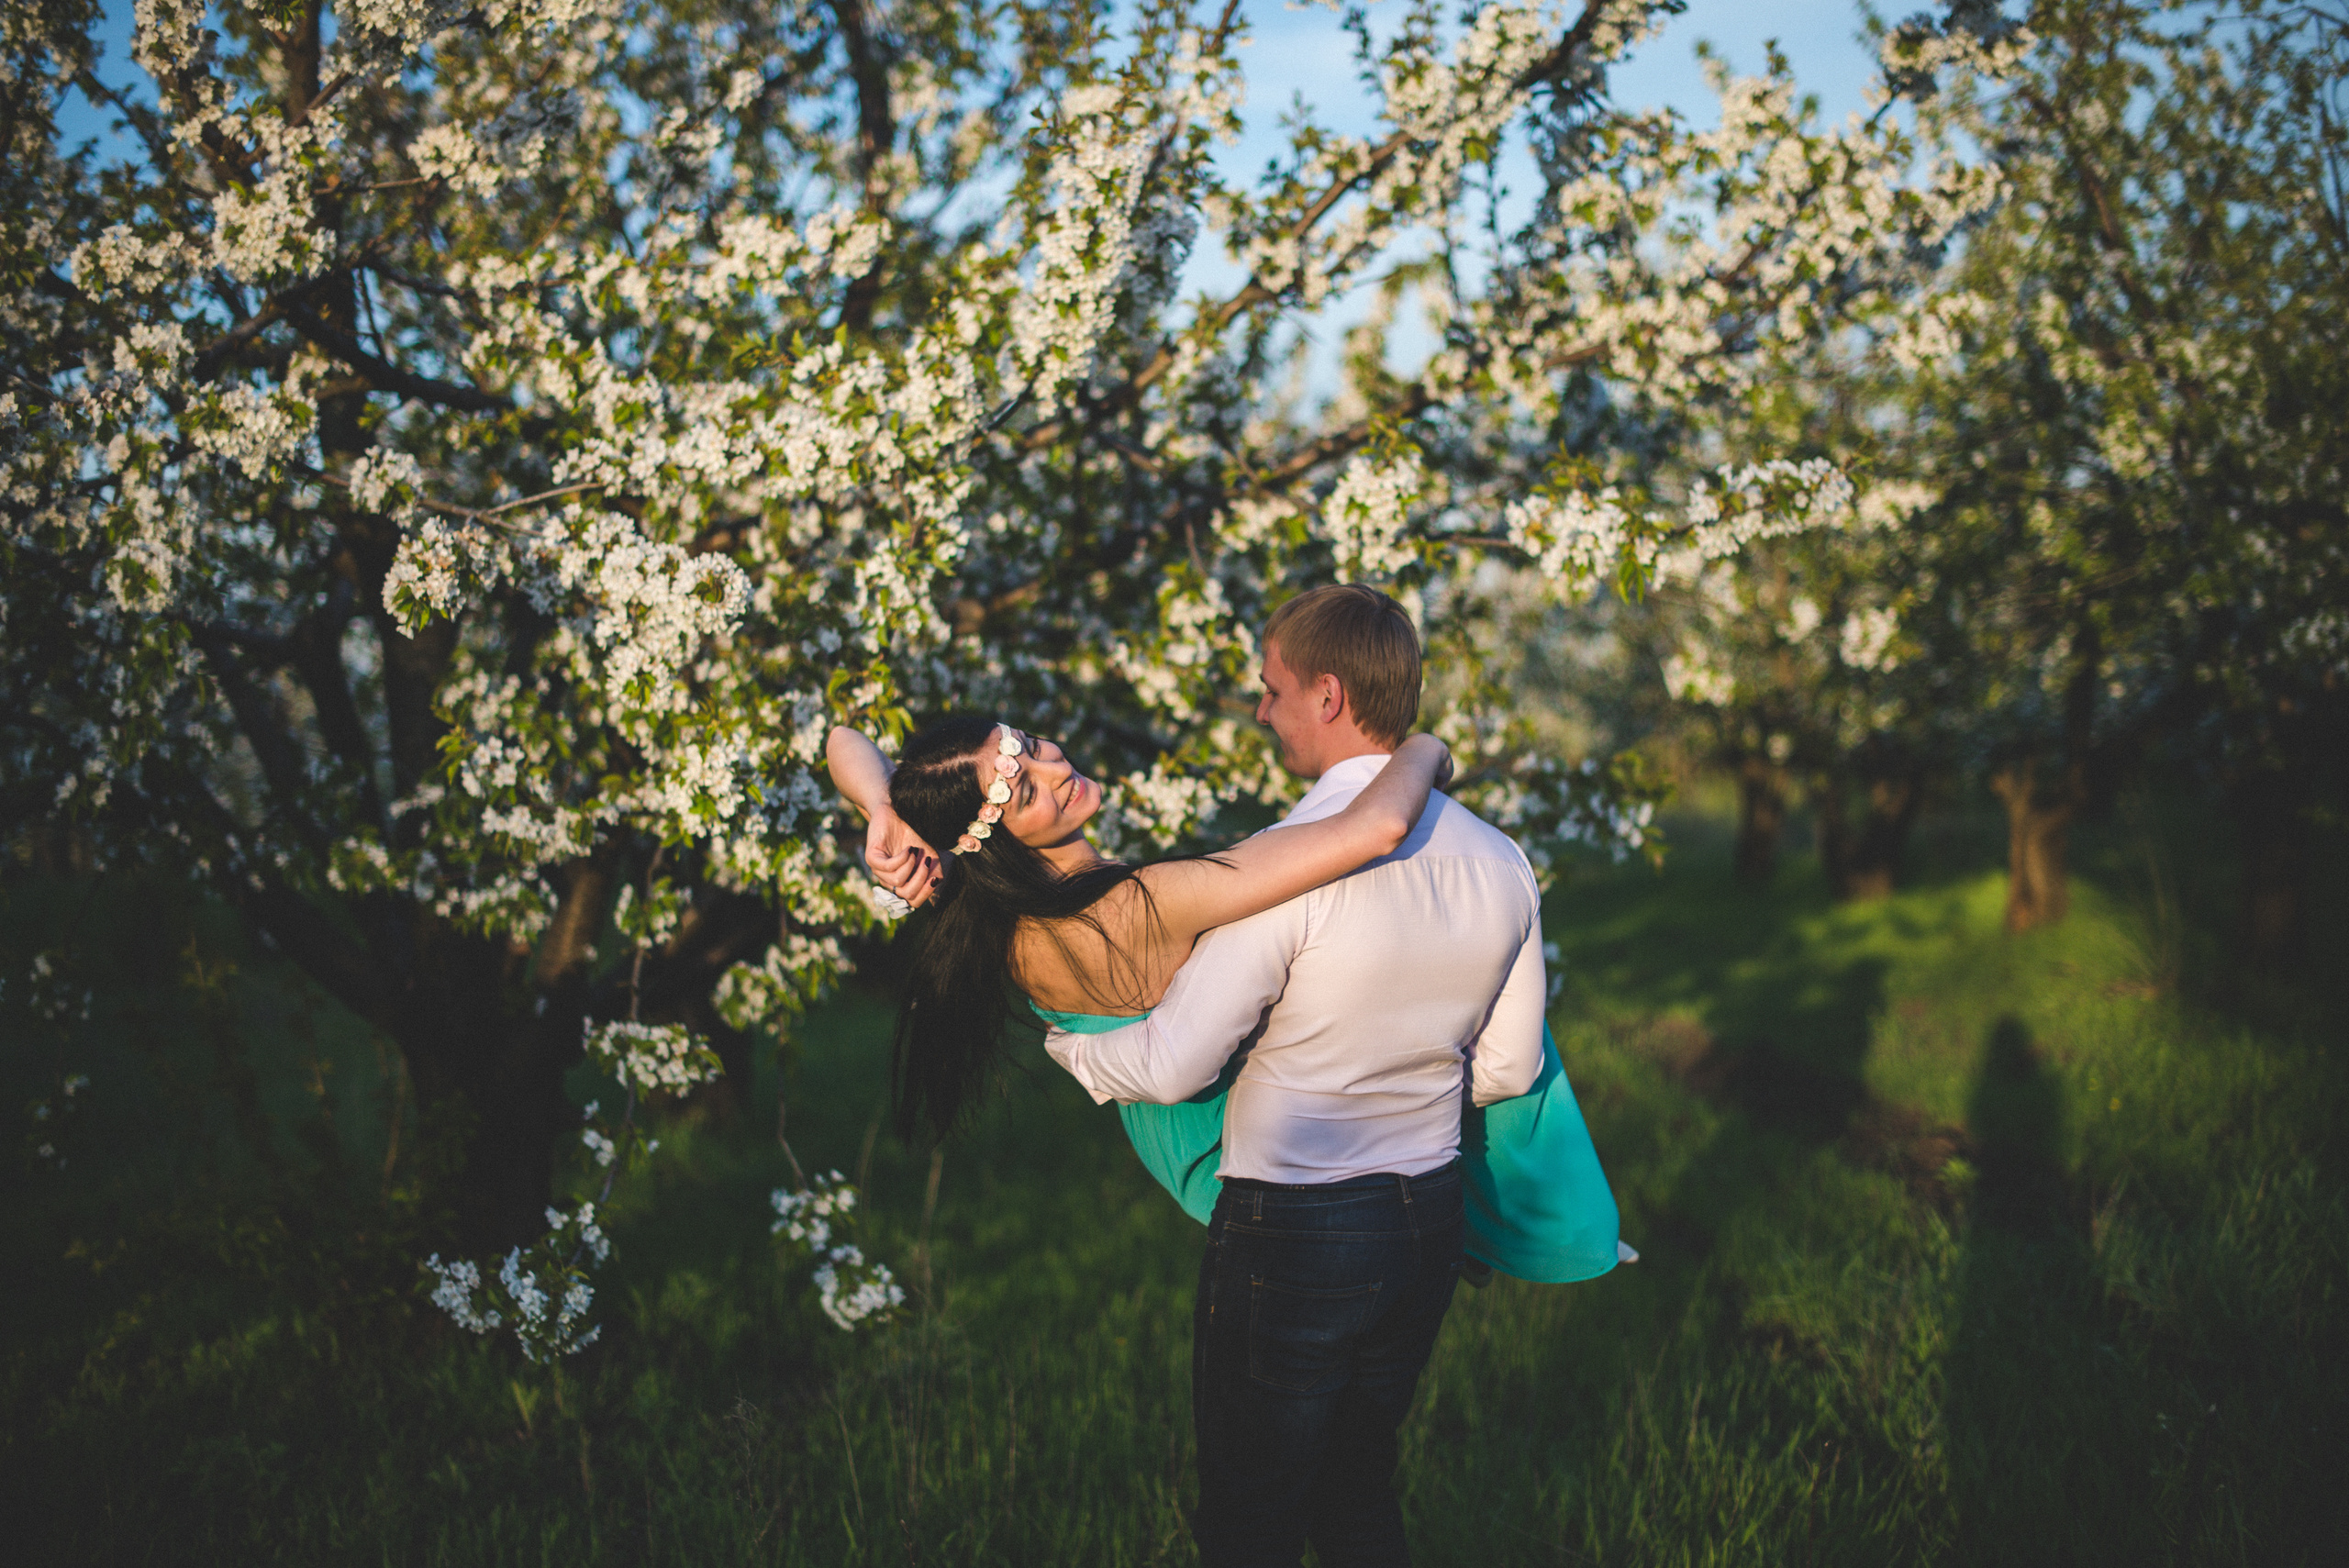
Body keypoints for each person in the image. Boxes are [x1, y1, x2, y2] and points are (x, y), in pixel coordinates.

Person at [832, 585, 1625, 1565]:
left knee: (1253, 1512)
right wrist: (1423, 747)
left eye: (1030, 746)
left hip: (1293, 1213)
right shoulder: (1147, 902)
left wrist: (881, 807)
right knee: (1352, 1488)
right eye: (1025, 785)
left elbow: (842, 736)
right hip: (1410, 1207)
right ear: (993, 834)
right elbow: (1377, 841)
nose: (1054, 762)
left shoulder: (995, 897)